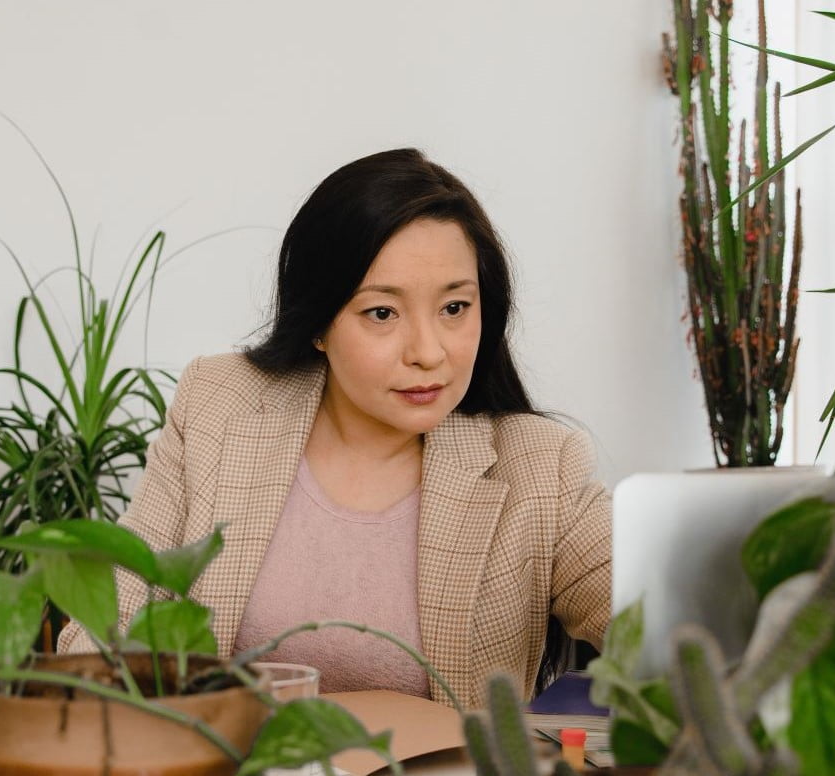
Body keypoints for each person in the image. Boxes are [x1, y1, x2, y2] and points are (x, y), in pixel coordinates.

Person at [61, 148, 610, 711]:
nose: (428, 352)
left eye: (454, 307)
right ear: (319, 322)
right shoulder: (218, 406)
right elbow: (106, 621)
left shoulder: (540, 463)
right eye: (382, 313)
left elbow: (647, 612)